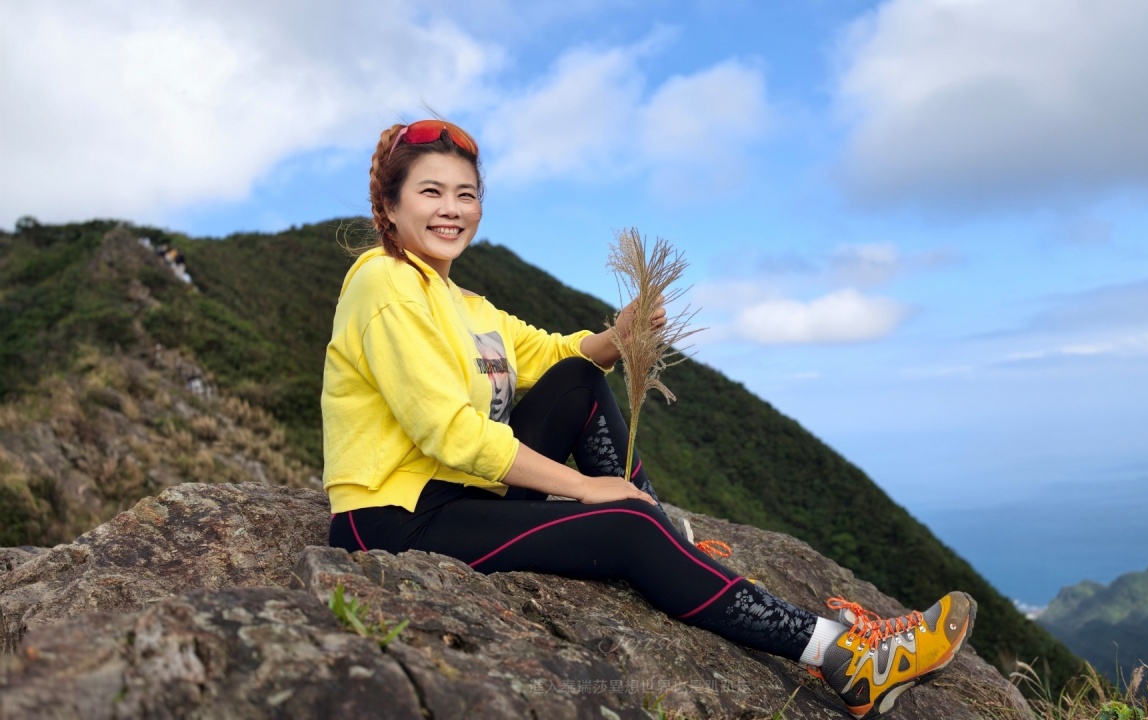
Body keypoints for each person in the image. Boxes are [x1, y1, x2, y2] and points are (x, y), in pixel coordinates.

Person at [321, 119, 978, 719]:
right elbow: (451, 433)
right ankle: (847, 659)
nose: (452, 209)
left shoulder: (463, 301)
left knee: (579, 378)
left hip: (463, 496)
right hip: (397, 519)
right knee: (627, 522)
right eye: (431, 192)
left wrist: (616, 335)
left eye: (466, 194)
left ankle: (666, 543)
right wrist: (587, 488)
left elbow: (554, 356)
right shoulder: (384, 282)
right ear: (389, 205)